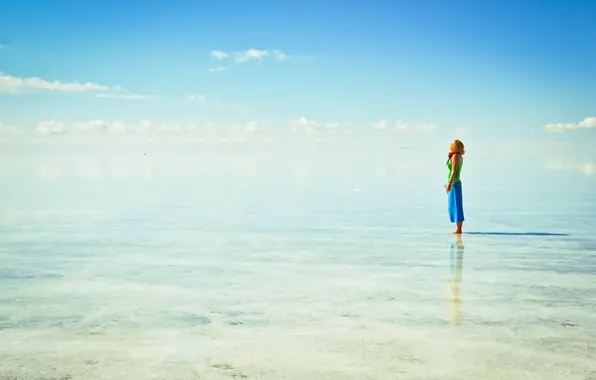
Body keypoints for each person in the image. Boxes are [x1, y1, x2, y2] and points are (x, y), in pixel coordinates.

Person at [445, 140, 465, 234]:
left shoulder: (456, 156)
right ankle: (458, 228)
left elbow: (453, 171)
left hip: (454, 183)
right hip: (453, 182)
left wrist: (449, 184)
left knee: (457, 206)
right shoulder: (455, 156)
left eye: (451, 143)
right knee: (453, 206)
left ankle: (459, 229)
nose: (450, 144)